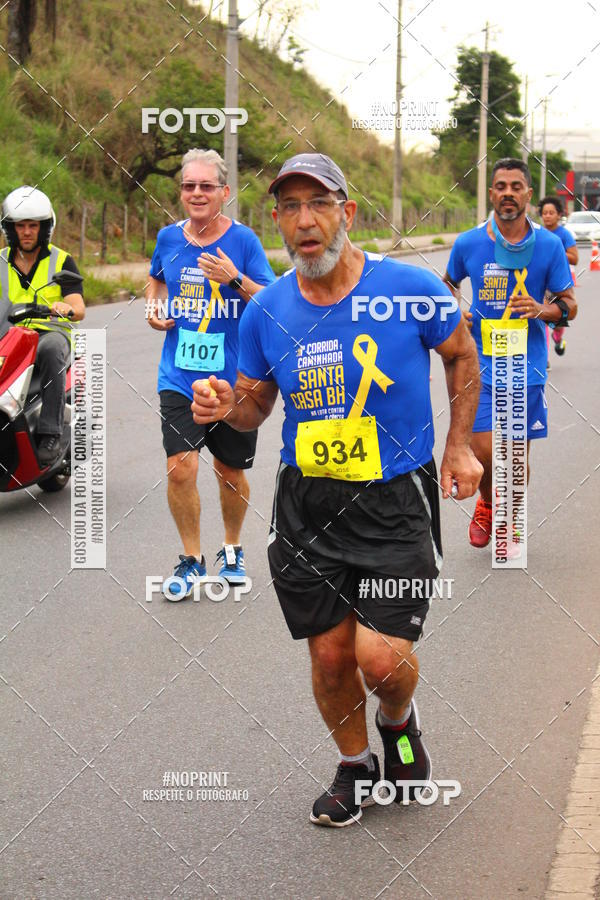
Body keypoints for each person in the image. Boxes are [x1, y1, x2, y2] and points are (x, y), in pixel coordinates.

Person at [190, 153, 482, 826]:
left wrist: (459, 445)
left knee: (379, 660)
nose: (304, 221)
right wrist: (222, 404)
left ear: (346, 213)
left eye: (317, 204)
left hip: (393, 498)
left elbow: (462, 352)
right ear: (278, 224)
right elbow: (255, 405)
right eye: (289, 208)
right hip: (307, 502)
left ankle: (399, 721)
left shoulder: (409, 287)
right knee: (328, 654)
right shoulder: (267, 310)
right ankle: (354, 765)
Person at [146, 149, 275, 598]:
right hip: (180, 375)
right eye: (188, 186)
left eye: (206, 186)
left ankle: (233, 548)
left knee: (228, 471)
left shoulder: (244, 242)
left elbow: (272, 301)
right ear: (181, 192)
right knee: (180, 467)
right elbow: (157, 279)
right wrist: (154, 306)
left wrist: (234, 278)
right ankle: (190, 559)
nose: (196, 193)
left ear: (224, 192)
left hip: (233, 381)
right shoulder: (167, 237)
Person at [443, 159, 577, 550]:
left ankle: (510, 516)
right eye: (500, 186)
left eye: (516, 186)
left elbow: (570, 304)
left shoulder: (549, 246)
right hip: (478, 363)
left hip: (527, 364)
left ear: (528, 195)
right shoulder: (469, 243)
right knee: (483, 448)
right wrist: (455, 311)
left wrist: (543, 310)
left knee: (515, 454)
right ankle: (488, 503)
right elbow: (446, 285)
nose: (507, 193)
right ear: (491, 194)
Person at [0, 186, 85, 465]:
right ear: (10, 228)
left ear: (44, 227)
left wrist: (65, 308)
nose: (26, 231)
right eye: (20, 225)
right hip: (8, 334)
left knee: (50, 350)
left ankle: (51, 431)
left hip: (49, 333)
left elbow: (78, 307)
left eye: (32, 225)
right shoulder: (0, 261)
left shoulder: (62, 260)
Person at [539, 195, 579, 356]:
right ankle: (545, 358)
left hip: (559, 284)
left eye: (551, 212)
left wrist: (555, 252)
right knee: (541, 318)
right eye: (545, 213)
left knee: (557, 322)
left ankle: (558, 338)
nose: (548, 215)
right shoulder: (537, 234)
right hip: (541, 283)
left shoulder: (564, 235)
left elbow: (575, 258)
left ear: (558, 215)